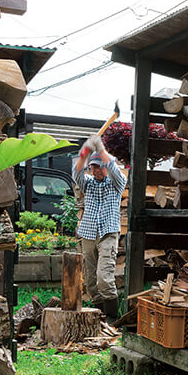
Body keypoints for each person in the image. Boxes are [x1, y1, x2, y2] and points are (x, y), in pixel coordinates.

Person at [73, 134, 127, 322]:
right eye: (93, 166)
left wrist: (101, 149)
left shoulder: (116, 184)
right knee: (90, 281)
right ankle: (100, 317)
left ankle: (112, 318)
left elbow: (114, 169)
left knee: (104, 277)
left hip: (107, 234)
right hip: (88, 234)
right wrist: (84, 152)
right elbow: (77, 173)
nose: (95, 170)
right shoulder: (87, 184)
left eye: (99, 166)